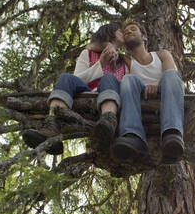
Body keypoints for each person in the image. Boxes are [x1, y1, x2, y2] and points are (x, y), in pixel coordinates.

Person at [22, 23, 127, 155]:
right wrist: (100, 64)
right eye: (120, 31)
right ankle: (53, 123)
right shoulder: (87, 53)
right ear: (111, 32)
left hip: (110, 97)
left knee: (109, 78)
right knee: (66, 77)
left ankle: (108, 120)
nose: (123, 33)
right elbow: (78, 79)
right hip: (87, 93)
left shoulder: (124, 62)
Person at [112, 19, 185, 164]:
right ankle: (133, 135)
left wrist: (156, 83)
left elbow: (171, 72)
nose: (129, 32)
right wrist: (118, 41)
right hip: (141, 97)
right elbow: (108, 51)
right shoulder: (127, 61)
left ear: (144, 37)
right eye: (126, 33)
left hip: (167, 94)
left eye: (133, 29)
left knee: (171, 75)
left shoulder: (162, 55)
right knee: (128, 79)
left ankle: (172, 133)